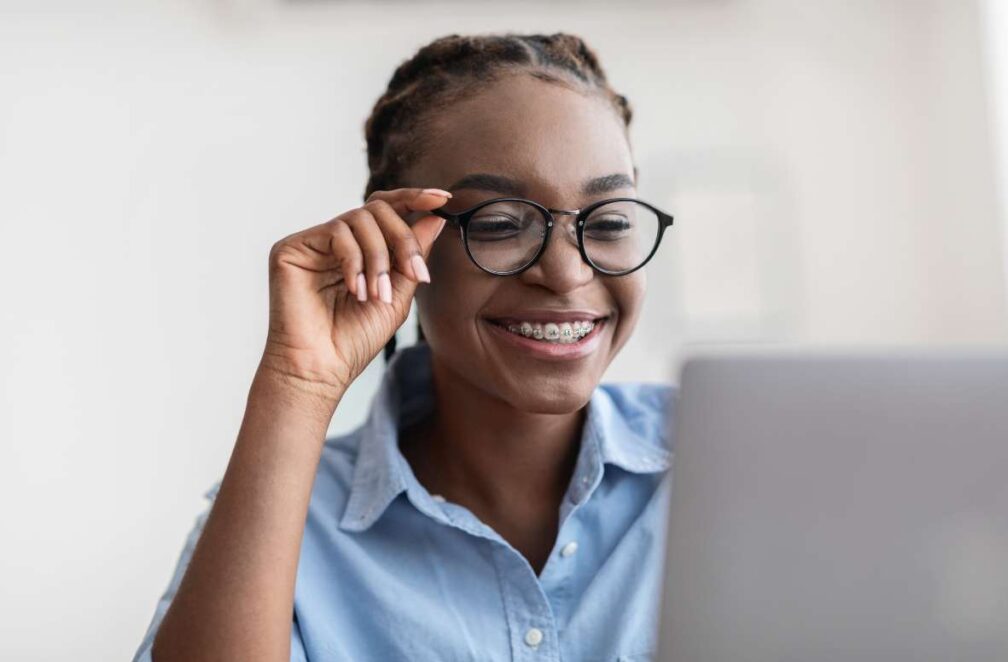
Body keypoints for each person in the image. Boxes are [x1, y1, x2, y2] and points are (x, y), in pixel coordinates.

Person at [134, 32, 677, 661]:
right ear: (397, 240)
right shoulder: (283, 523)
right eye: (500, 224)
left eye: (608, 221)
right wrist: (298, 381)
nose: (566, 273)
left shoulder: (728, 461)